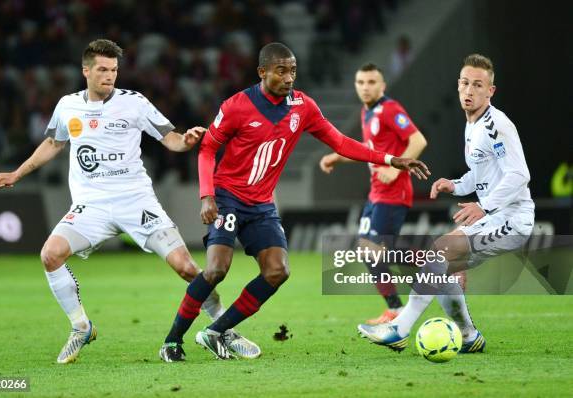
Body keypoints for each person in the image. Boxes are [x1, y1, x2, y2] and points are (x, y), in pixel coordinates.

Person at [0, 39, 259, 364]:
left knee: (188, 268)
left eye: (114, 70)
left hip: (137, 203)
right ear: (86, 70)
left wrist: (186, 141)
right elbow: (53, 142)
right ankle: (81, 327)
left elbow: (171, 139)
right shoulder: (68, 106)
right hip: (91, 206)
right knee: (50, 255)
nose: (110, 76)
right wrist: (17, 174)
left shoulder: (135, 103)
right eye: (103, 70)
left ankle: (223, 329)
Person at [161, 42, 430, 361]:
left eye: (293, 71)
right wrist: (207, 196)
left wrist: (390, 159)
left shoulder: (303, 107)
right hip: (228, 197)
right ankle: (172, 341)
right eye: (281, 71)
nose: (289, 78)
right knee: (217, 269)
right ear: (262, 72)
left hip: (261, 205)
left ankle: (217, 331)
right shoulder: (237, 106)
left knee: (278, 271)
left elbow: (340, 142)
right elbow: (207, 149)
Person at [357, 54, 535, 353]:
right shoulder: (472, 125)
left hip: (512, 220)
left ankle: (399, 329)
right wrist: (455, 185)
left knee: (438, 252)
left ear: (490, 91)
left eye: (478, 85)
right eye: (465, 83)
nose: (469, 90)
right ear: (458, 85)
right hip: (493, 216)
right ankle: (467, 336)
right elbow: (483, 174)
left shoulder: (496, 125)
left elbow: (519, 174)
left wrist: (484, 205)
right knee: (438, 265)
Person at [320, 63, 427, 325]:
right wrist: (336, 156)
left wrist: (397, 171)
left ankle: (437, 264)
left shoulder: (390, 109)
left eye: (371, 82)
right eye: (360, 82)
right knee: (369, 252)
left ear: (383, 85)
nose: (365, 87)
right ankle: (395, 308)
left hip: (393, 192)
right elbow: (370, 149)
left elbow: (418, 141)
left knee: (375, 251)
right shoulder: (366, 113)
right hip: (376, 194)